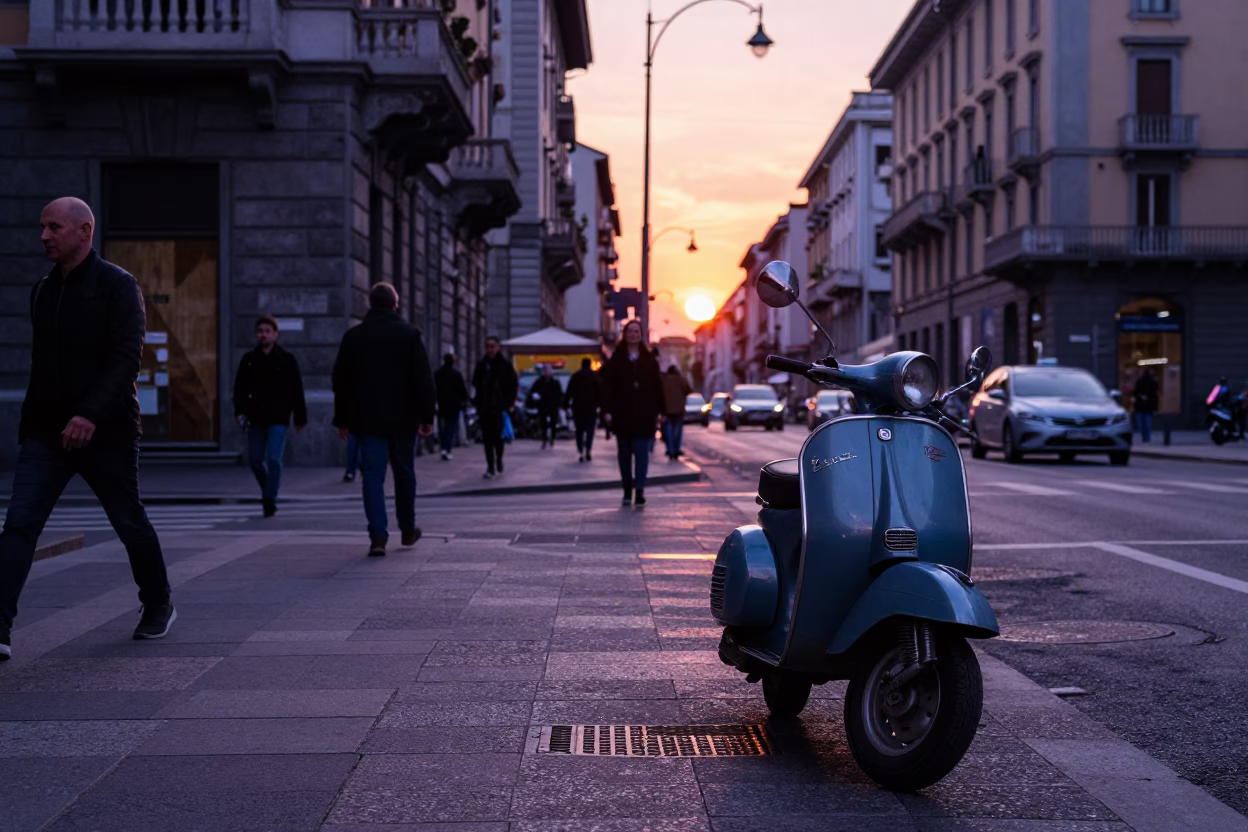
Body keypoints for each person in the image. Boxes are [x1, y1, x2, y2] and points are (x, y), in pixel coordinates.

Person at [1, 197, 176, 660]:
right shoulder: (42, 289)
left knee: (128, 522)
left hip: (107, 433)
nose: (44, 236)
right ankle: (0, 626)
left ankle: (158, 604)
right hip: (46, 434)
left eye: (54, 227)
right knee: (19, 525)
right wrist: (31, 426)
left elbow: (125, 358)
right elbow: (42, 367)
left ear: (84, 231)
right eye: (42, 227)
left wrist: (89, 414)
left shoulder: (119, 286)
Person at [332, 282, 435, 557]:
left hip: (367, 419)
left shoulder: (354, 337)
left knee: (372, 477)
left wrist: (342, 419)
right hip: (403, 419)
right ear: (395, 304)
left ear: (370, 303)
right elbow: (423, 379)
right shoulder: (410, 334)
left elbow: (341, 381)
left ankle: (378, 536)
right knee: (404, 473)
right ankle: (408, 529)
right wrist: (427, 416)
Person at [233, 316, 308, 517]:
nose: (263, 335)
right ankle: (269, 490)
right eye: (260, 331)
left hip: (278, 417)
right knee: (255, 460)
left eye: (267, 331)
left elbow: (296, 390)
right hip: (255, 417)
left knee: (274, 459)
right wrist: (239, 411)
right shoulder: (248, 359)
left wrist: (300, 417)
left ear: (275, 334)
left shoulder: (286, 359)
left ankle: (269, 499)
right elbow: (239, 388)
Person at [601, 320, 664, 507]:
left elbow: (657, 386)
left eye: (637, 332)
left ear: (640, 335)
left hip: (644, 415)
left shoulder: (649, 359)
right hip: (622, 414)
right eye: (630, 331)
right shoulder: (617, 358)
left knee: (642, 454)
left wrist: (660, 411)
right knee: (624, 455)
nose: (633, 335)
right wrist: (606, 410)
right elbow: (607, 386)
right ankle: (627, 491)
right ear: (625, 334)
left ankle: (640, 489)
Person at [472, 336, 518, 480]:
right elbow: (476, 384)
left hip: (499, 408)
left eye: (492, 346)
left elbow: (513, 385)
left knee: (498, 438)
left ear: (498, 347)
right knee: (487, 439)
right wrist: (477, 402)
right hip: (485, 408)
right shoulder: (482, 365)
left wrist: (509, 403)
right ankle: (490, 467)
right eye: (488, 346)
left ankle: (498, 459)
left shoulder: (504, 365)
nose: (490, 349)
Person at [564, 357, 602, 463]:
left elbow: (569, 391)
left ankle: (580, 449)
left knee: (579, 430)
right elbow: (600, 392)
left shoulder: (576, 376)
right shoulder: (595, 376)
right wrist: (601, 405)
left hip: (578, 407)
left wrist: (565, 404)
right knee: (590, 430)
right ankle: (588, 449)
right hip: (591, 407)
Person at [434, 353, 469, 461]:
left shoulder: (437, 373)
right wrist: (464, 400)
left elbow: (433, 388)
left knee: (442, 427)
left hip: (441, 404)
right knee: (450, 427)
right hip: (454, 405)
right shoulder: (456, 374)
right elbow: (462, 389)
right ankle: (447, 449)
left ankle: (443, 447)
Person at [660, 364, 693, 461]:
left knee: (668, 429)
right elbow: (689, 390)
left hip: (666, 409)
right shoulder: (681, 379)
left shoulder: (664, 380)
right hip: (679, 408)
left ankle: (670, 449)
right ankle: (676, 448)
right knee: (677, 429)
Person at [528, 364, 563, 449]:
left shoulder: (555, 382)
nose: (546, 372)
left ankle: (552, 438)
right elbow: (532, 391)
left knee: (553, 423)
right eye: (545, 371)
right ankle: (544, 439)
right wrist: (535, 397)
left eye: (548, 371)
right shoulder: (539, 382)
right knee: (543, 423)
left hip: (553, 406)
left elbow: (559, 394)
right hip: (543, 405)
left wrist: (559, 404)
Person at [1132, 369, 1159, 444]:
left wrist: (1140, 396)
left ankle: (1145, 437)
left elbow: (1135, 392)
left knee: (1142, 422)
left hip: (1141, 406)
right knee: (1147, 422)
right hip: (1147, 406)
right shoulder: (1153, 382)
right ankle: (1147, 437)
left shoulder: (1140, 382)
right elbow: (1155, 395)